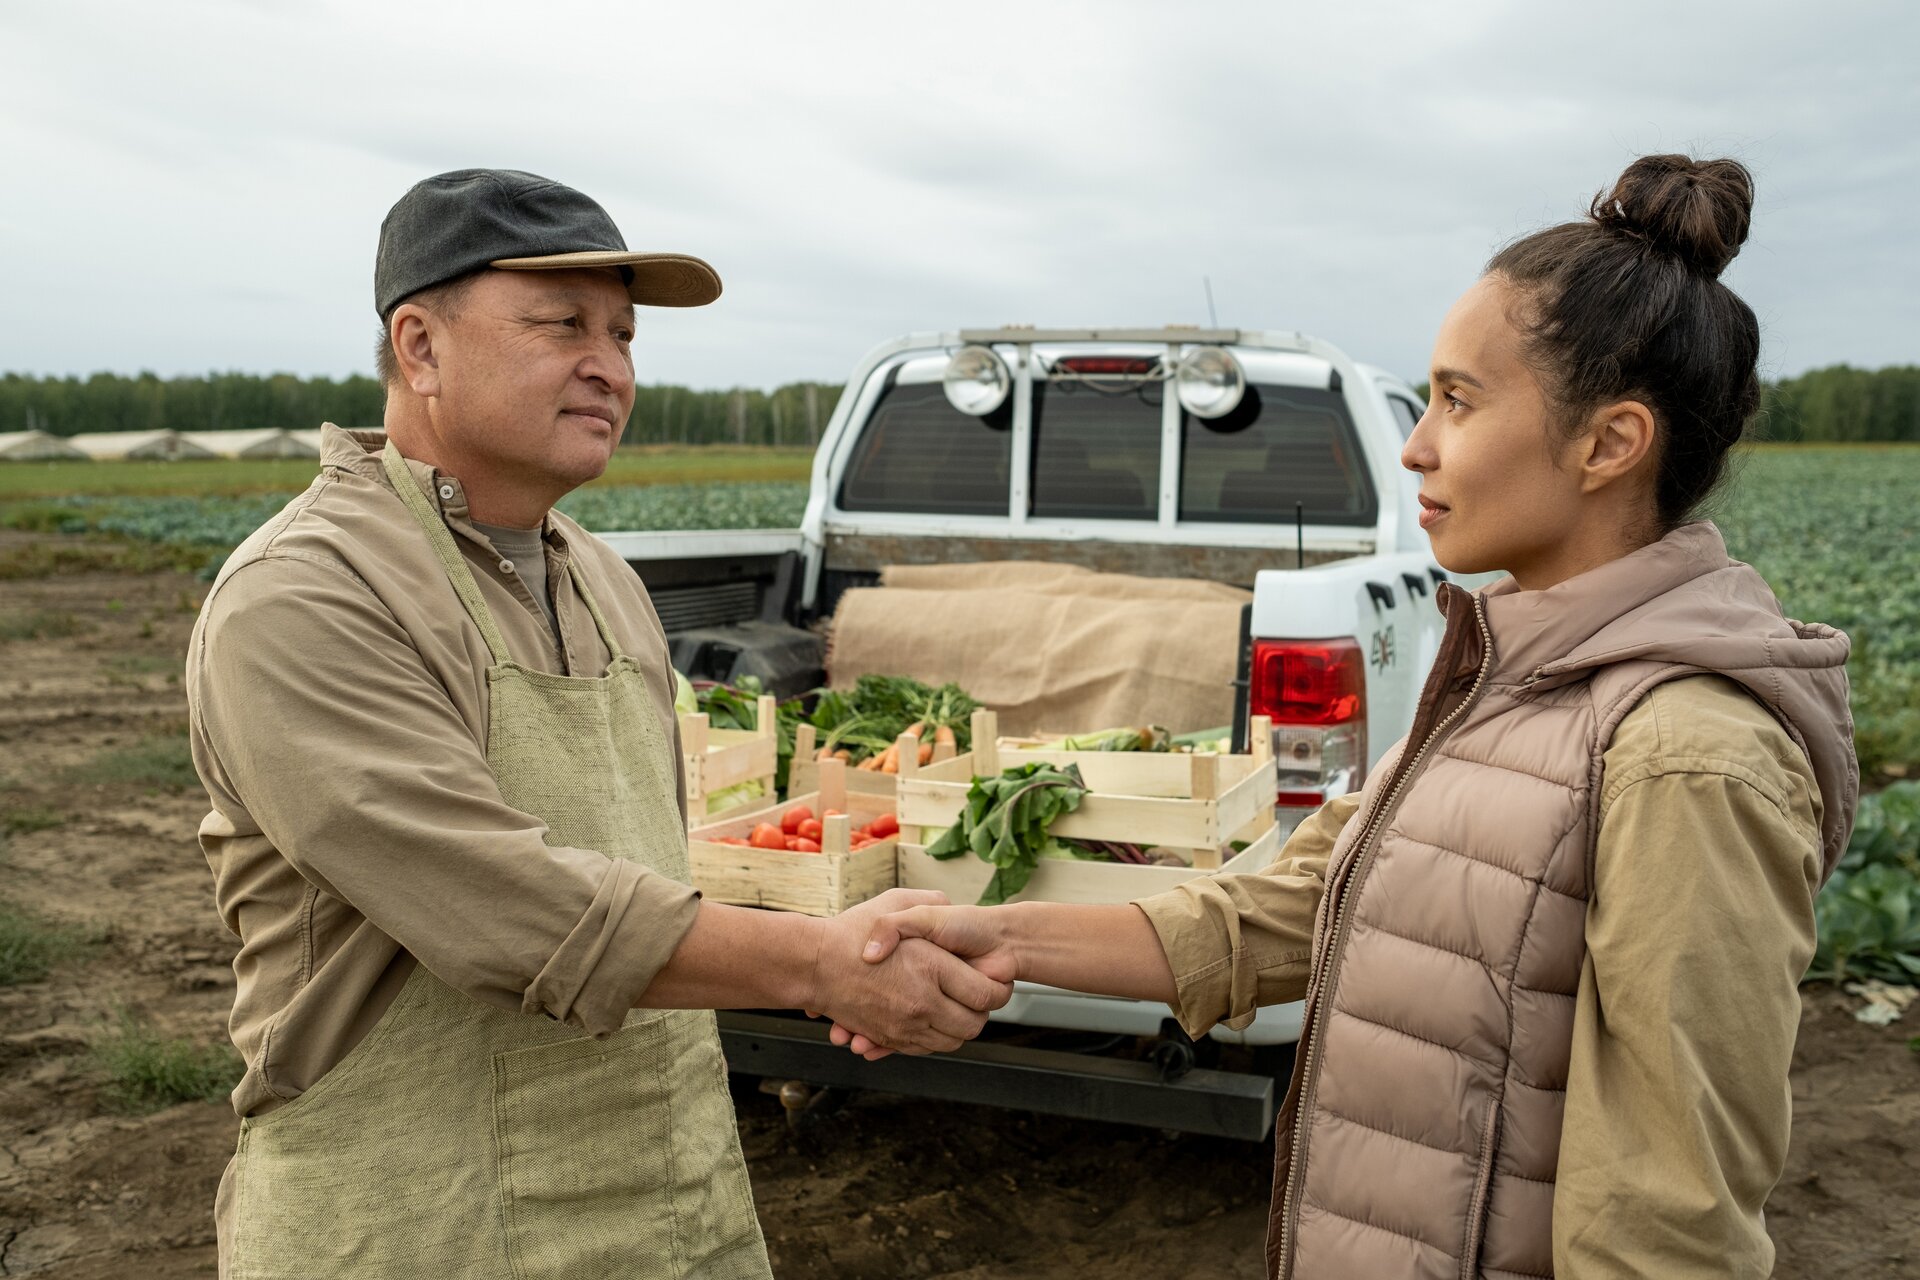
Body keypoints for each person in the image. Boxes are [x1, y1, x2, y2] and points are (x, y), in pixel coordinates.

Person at [849, 155, 1858, 1278]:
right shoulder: (1505, 669)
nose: (1418, 444)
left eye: (1459, 399)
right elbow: (1289, 912)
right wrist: (999, 937)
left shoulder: (1687, 755)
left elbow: (1675, 1228)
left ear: (1609, 443)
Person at [186, 168, 1008, 1279]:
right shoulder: (307, 594)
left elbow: (644, 858)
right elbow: (504, 907)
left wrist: (851, 931)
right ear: (420, 347)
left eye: (623, 335)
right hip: (423, 1214)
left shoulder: (605, 579)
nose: (610, 367)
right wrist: (820, 964)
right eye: (562, 324)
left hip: (662, 1195)